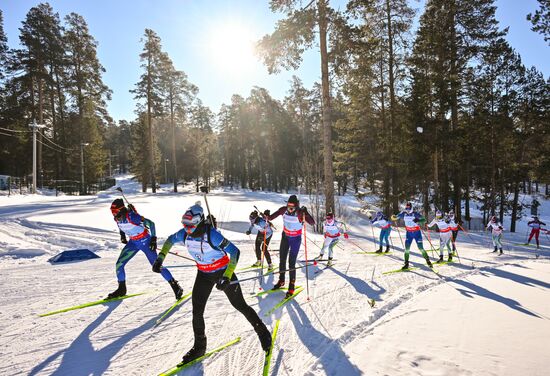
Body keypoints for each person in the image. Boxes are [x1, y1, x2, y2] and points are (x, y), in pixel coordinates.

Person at [152, 203, 272, 364]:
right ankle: (199, 347)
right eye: (184, 225)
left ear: (199, 221)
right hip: (203, 274)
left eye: (190, 226)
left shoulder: (212, 235)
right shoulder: (185, 234)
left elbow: (235, 252)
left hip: (222, 272)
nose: (187, 229)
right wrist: (160, 258)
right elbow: (169, 241)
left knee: (240, 306)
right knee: (197, 311)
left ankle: (263, 334)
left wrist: (227, 276)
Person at [108, 199, 183, 300]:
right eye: (112, 213)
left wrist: (153, 239)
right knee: (119, 264)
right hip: (133, 243)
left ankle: (175, 286)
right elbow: (121, 226)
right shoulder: (117, 218)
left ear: (122, 210)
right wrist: (122, 235)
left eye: (116, 212)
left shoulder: (132, 217)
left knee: (156, 266)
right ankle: (122, 289)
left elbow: (151, 224)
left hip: (145, 241)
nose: (114, 215)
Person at [265, 194, 315, 298]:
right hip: (285, 237)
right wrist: (266, 216)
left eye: (292, 207)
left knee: (291, 263)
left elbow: (312, 222)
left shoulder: (300, 213)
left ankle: (291, 285)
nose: (290, 209)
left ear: (296, 206)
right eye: (289, 206)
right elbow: (270, 218)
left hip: (295, 239)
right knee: (282, 260)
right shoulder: (283, 210)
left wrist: (306, 213)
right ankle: (281, 280)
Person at [391, 202, 433, 269]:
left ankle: (428, 261)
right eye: (406, 208)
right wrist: (393, 217)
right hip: (409, 233)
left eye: (409, 208)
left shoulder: (415, 214)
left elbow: (424, 220)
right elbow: (395, 217)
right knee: (407, 249)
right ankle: (406, 263)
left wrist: (418, 220)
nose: (407, 209)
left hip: (417, 233)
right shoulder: (403, 214)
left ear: (411, 208)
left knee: (420, 248)